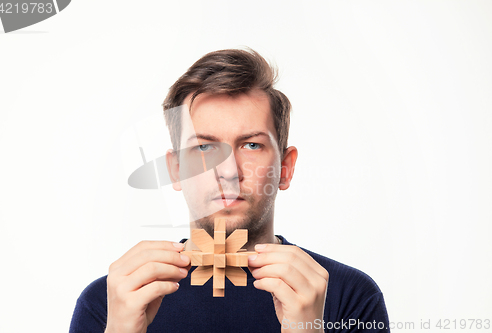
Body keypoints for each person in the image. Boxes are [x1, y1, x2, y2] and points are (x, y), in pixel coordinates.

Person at [70, 48, 390, 333]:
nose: (228, 172)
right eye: (204, 147)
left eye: (251, 145)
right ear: (176, 169)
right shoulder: (111, 300)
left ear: (286, 168)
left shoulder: (349, 295)